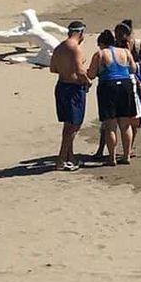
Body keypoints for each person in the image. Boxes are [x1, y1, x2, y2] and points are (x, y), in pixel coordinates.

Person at [87, 29, 137, 165]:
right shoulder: (125, 52)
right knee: (125, 124)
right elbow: (133, 69)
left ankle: (112, 157)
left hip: (108, 87)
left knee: (110, 126)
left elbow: (91, 74)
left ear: (102, 43)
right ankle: (126, 155)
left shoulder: (100, 54)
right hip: (125, 86)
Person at [49, 20, 92, 170]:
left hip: (61, 86)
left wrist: (65, 69)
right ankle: (61, 159)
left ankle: (69, 156)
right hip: (73, 89)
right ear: (80, 33)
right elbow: (80, 72)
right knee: (74, 125)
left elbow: (53, 68)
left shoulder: (59, 47)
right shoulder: (76, 48)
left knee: (68, 124)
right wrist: (88, 81)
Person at [117, 20, 141, 133]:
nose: (118, 37)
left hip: (138, 83)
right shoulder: (114, 45)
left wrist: (132, 63)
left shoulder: (139, 45)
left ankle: (129, 147)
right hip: (118, 81)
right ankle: (102, 147)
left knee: (134, 116)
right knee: (111, 118)